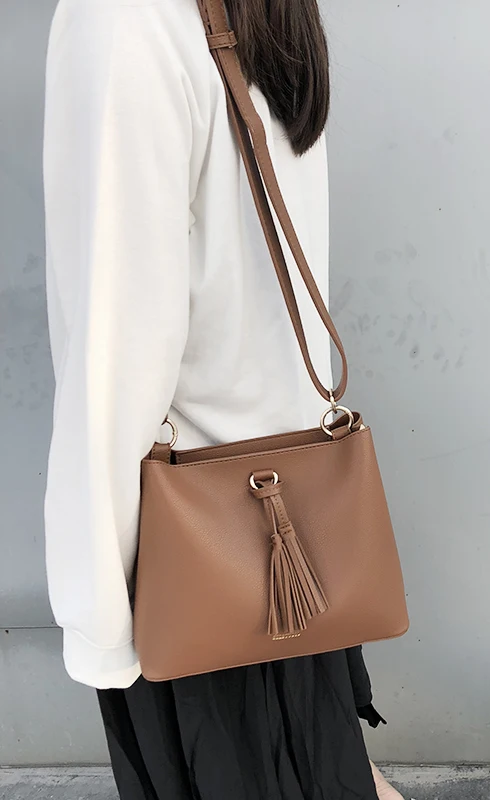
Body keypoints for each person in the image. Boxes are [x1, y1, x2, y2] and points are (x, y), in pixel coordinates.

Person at [42, 0, 403, 797]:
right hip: (291, 544)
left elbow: (118, 350)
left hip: (188, 567)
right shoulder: (248, 12)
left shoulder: (122, 21)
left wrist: (100, 621)